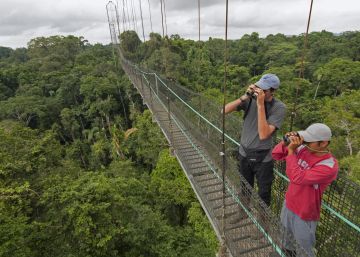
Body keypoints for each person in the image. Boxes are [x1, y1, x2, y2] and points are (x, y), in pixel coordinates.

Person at [272, 123, 338, 257]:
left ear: (323, 143)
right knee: (286, 239)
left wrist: (291, 152)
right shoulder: (303, 148)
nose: (305, 143)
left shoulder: (329, 166)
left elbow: (297, 177)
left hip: (305, 212)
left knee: (304, 248)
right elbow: (276, 154)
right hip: (289, 203)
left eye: (310, 141)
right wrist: (286, 142)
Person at [224, 74, 286, 207]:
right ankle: (243, 211)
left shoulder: (278, 107)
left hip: (263, 159)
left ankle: (263, 223)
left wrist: (260, 105)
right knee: (245, 187)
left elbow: (263, 134)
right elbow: (224, 110)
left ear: (273, 91)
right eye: (258, 87)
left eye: (263, 89)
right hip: (244, 153)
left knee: (263, 193)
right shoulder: (249, 100)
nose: (259, 91)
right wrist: (245, 96)